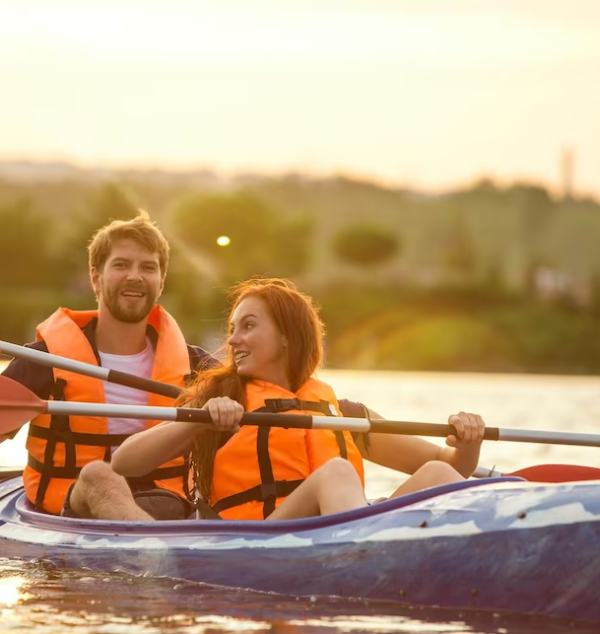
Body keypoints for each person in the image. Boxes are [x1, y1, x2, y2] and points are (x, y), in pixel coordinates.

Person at [108, 278, 486, 521]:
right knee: (336, 472)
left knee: (436, 475)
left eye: (249, 326)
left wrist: (469, 440)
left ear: (287, 336)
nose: (233, 340)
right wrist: (199, 420)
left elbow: (450, 465)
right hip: (261, 541)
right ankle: (360, 558)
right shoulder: (220, 399)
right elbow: (125, 462)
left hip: (340, 535)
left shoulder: (343, 413)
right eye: (232, 329)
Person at [0, 211, 216, 520]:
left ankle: (151, 552)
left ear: (161, 281)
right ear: (95, 277)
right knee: (99, 475)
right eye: (121, 264)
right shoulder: (45, 359)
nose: (135, 276)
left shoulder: (198, 366)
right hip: (72, 508)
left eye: (148, 267)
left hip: (166, 506)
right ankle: (157, 558)